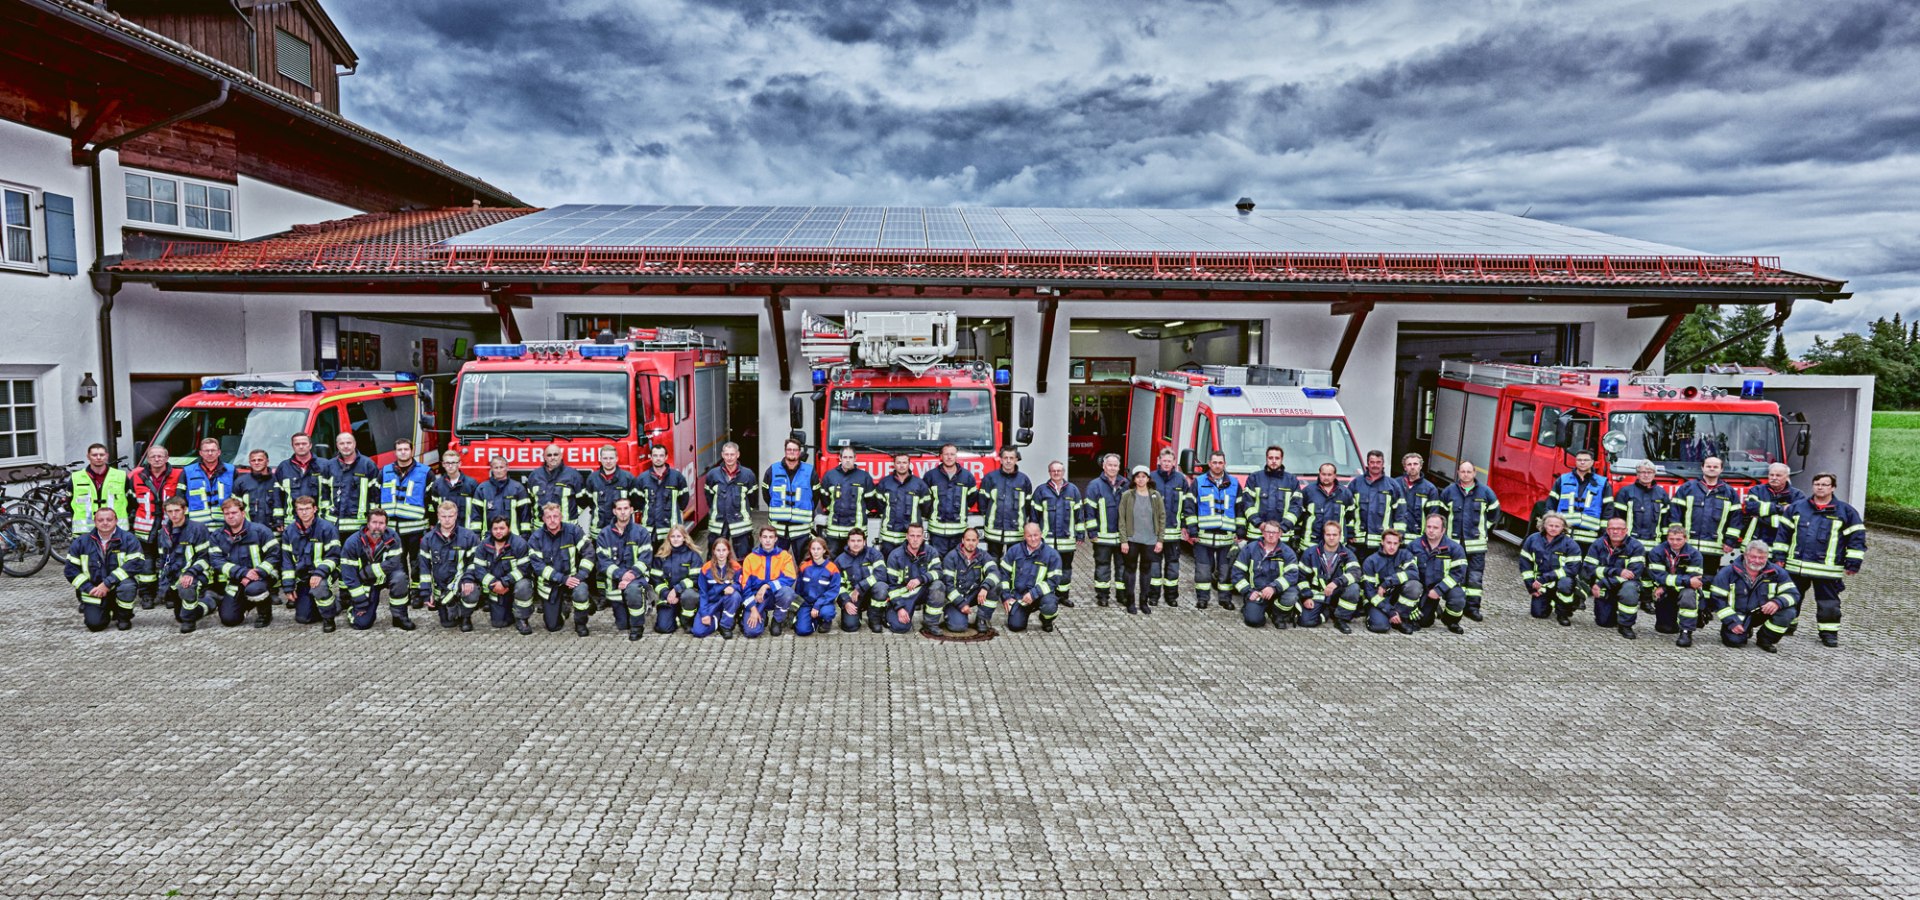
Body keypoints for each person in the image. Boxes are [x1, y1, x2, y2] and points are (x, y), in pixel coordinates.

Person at [1774, 472, 1866, 647]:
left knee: (1828, 603)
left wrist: (1853, 563)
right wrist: (1779, 557)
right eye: (1817, 484)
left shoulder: (1846, 512)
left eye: (1824, 484)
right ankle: (1787, 625)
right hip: (1796, 566)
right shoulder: (1798, 508)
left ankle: (1829, 633)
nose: (1820, 487)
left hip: (1827, 570)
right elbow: (1783, 535)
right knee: (1791, 597)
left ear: (1833, 487)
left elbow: (1857, 538)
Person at [1706, 539, 1801, 652]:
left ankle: (1766, 639)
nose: (1757, 561)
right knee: (1733, 641)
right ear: (1745, 555)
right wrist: (1732, 622)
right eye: (1753, 557)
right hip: (1737, 615)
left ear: (1767, 557)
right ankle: (1745, 630)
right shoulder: (1727, 572)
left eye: (1761, 558)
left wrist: (1777, 602)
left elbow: (1793, 593)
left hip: (1763, 611)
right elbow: (1717, 600)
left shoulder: (1777, 572)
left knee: (1788, 612)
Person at [1437, 460, 1500, 621]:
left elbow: (1494, 513)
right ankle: (1455, 606)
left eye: (1468, 471)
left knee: (1474, 577)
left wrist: (1483, 528)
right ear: (1458, 473)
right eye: (1462, 471)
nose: (1465, 474)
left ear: (1474, 473)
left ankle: (1472, 608)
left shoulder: (1486, 492)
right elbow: (1441, 515)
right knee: (1455, 575)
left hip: (1476, 546)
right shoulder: (1449, 492)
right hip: (1454, 545)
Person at [65, 507, 145, 632]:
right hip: (95, 590)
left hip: (118, 586)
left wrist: (107, 584)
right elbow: (70, 571)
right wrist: (88, 588)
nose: (105, 523)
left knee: (128, 586)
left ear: (116, 521)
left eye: (109, 519)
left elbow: (135, 564)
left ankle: (123, 617)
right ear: (95, 522)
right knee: (95, 625)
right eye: (100, 520)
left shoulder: (128, 539)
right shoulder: (81, 542)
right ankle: (104, 610)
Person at [1668, 456, 1742, 590]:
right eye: (1708, 466)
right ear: (1702, 468)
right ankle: (1682, 604)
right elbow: (1675, 514)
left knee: (1708, 577)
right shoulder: (1687, 488)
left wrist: (1730, 541)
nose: (1711, 469)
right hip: (1686, 545)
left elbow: (1735, 519)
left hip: (1713, 547)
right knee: (1684, 576)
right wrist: (1676, 538)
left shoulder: (1729, 492)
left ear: (1721, 470)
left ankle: (1703, 608)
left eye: (1715, 467)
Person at [207, 497, 280, 628]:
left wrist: (258, 572)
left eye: (234, 513)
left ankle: (265, 613)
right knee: (229, 620)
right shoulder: (218, 536)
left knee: (255, 589)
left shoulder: (260, 531)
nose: (230, 516)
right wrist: (243, 573)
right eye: (227, 514)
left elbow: (274, 555)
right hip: (236, 580)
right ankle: (247, 603)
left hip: (262, 577)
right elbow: (217, 561)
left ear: (243, 513)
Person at [339, 508, 412, 632]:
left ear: (386, 525)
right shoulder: (352, 542)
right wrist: (360, 600)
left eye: (381, 523)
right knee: (362, 624)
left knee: (400, 577)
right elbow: (349, 574)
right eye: (374, 522)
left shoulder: (393, 537)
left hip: (382, 576)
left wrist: (368, 571)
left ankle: (399, 616)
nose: (377, 527)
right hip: (365, 583)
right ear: (368, 524)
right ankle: (353, 608)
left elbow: (395, 563)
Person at [527, 501, 593, 637]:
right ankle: (563, 610)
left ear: (561, 517)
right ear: (543, 519)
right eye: (549, 517)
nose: (552, 520)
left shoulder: (573, 531)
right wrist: (562, 578)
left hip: (574, 579)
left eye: (556, 516)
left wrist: (580, 576)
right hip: (551, 583)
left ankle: (581, 623)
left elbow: (589, 552)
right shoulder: (536, 537)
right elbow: (538, 567)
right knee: (553, 626)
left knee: (581, 592)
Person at [127, 444, 181, 607]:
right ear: (147, 459)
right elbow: (130, 502)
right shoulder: (136, 476)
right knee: (146, 564)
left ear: (167, 458)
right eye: (153, 456)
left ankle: (170, 594)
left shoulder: (178, 475)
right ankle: (147, 595)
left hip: (169, 527)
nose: (157, 459)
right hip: (145, 528)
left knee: (170, 560)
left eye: (160, 456)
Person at [278, 494, 342, 631]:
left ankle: (329, 618)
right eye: (300, 509)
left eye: (307, 508)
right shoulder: (289, 531)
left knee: (319, 588)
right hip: (304, 577)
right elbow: (287, 561)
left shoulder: (327, 528)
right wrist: (289, 587)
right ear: (296, 511)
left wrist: (319, 573)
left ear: (315, 509)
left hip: (325, 573)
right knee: (303, 618)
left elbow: (334, 557)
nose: (304, 512)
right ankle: (324, 603)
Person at [1188, 451, 1242, 611]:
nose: (1217, 465)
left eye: (1220, 462)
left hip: (1226, 538)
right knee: (1203, 571)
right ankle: (1203, 599)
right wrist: (1192, 530)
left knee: (1226, 571)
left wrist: (1240, 530)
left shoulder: (1234, 483)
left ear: (1224, 464)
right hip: (1204, 537)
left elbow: (1240, 508)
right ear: (1209, 464)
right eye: (1214, 462)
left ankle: (1225, 599)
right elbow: (1190, 507)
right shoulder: (1198, 482)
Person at [596, 496, 655, 640]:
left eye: (626, 509)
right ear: (614, 511)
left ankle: (637, 627)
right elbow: (603, 563)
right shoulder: (604, 534)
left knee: (633, 591)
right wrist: (622, 576)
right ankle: (631, 615)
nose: (623, 512)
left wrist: (631, 576)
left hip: (636, 578)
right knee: (622, 625)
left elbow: (645, 559)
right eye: (619, 509)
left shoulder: (641, 532)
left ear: (632, 510)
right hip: (615, 580)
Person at [417, 499, 481, 632]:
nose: (447, 520)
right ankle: (450, 605)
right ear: (438, 516)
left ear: (456, 515)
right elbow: (424, 568)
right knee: (448, 624)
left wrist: (468, 579)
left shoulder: (469, 537)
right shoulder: (428, 539)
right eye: (443, 516)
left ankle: (465, 617)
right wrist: (426, 592)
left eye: (450, 516)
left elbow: (474, 563)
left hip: (461, 583)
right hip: (440, 588)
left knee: (472, 591)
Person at [153, 496, 213, 632]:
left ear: (185, 510)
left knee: (186, 590)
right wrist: (163, 581)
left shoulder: (198, 529)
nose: (173, 515)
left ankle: (189, 622)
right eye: (170, 511)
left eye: (177, 510)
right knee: (179, 615)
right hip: (174, 575)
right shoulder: (163, 532)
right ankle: (209, 603)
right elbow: (163, 559)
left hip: (196, 574)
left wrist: (190, 573)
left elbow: (205, 557)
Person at [380, 438, 431, 596]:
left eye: (406, 449)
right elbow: (376, 497)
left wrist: (431, 523)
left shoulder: (425, 472)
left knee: (416, 561)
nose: (403, 452)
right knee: (398, 561)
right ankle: (403, 590)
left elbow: (430, 499)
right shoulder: (385, 471)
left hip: (416, 527)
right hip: (393, 529)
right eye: (400, 449)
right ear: (395, 452)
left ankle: (416, 591)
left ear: (411, 451)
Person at [1582, 517, 1647, 639]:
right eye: (1612, 528)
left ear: (1626, 530)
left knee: (1629, 589)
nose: (1615, 532)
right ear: (1607, 530)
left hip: (1625, 585)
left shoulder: (1636, 546)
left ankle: (1626, 625)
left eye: (1619, 529)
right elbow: (1589, 568)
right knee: (1604, 623)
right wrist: (1618, 571)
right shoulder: (1598, 544)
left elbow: (1633, 574)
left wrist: (1602, 583)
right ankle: (1612, 611)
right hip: (1607, 587)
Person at [1030, 460, 1083, 606]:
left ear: (1063, 472)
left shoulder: (1073, 490)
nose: (1056, 473)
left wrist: (1080, 534)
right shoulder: (1041, 491)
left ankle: (1063, 596)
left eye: (1059, 470)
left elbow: (1079, 515)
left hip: (1067, 540)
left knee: (1065, 569)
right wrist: (1034, 537)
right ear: (1049, 472)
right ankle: (1045, 595)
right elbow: (1034, 516)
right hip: (1046, 541)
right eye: (1053, 471)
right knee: (1045, 568)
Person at [1232, 519, 1299, 628]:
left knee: (1291, 595)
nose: (1271, 535)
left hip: (1278, 592)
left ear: (1280, 534)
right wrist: (1249, 592)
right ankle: (1257, 609)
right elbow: (1236, 573)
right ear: (1263, 532)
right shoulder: (1250, 548)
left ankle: (1278, 614)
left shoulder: (1288, 552)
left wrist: (1273, 587)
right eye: (1268, 532)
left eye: (1274, 532)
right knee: (1253, 621)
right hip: (1257, 592)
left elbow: (1292, 575)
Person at [1081, 453, 1129, 607]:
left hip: (1122, 538)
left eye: (1115, 465)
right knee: (1102, 567)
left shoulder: (1126, 484)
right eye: (1110, 465)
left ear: (1119, 467)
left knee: (1122, 567)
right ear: (1104, 466)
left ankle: (1122, 595)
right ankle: (1102, 596)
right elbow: (1089, 511)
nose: (1113, 468)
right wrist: (1092, 533)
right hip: (1102, 537)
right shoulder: (1094, 486)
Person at [1297, 520, 1362, 632]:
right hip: (1317, 594)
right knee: (1305, 622)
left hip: (1337, 593)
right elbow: (1301, 577)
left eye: (1334, 535)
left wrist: (1336, 583)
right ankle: (1326, 613)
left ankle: (1341, 619)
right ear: (1323, 535)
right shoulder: (1311, 553)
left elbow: (1355, 573)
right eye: (1328, 534)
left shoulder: (1347, 554)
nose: (1331, 538)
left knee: (1354, 588)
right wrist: (1306, 597)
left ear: (1340, 536)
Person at [1519, 512, 1583, 625]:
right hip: (1542, 585)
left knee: (1565, 583)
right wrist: (1531, 587)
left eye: (1557, 526)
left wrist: (1544, 579)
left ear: (1563, 527)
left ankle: (1564, 612)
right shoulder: (1532, 540)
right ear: (1544, 525)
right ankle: (1550, 600)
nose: (1553, 528)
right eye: (1550, 525)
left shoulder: (1570, 544)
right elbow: (1525, 565)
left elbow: (1572, 569)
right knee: (1538, 614)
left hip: (1560, 581)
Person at [1647, 524, 1707, 643]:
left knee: (1689, 593)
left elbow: (1694, 581)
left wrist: (1667, 584)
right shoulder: (1656, 552)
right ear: (1667, 538)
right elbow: (1659, 577)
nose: (1674, 542)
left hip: (1683, 590)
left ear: (1685, 538)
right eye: (1671, 539)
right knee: (1666, 629)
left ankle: (1686, 632)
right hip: (1667, 590)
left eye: (1678, 539)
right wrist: (1667, 585)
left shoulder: (1695, 554)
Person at [1115, 465, 1163, 615]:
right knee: (1130, 569)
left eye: (1144, 476)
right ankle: (1130, 601)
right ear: (1134, 479)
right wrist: (1123, 540)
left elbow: (1162, 517)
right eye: (1138, 476)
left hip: (1150, 539)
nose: (1141, 479)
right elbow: (1121, 519)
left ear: (1148, 479)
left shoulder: (1155, 496)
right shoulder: (1127, 495)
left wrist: (1160, 539)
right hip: (1132, 539)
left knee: (1146, 569)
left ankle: (1144, 601)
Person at [1409, 514, 1468, 634]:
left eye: (1435, 528)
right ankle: (1434, 608)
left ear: (1443, 530)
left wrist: (1439, 590)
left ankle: (1451, 621)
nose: (1431, 530)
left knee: (1458, 598)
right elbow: (1408, 571)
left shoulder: (1455, 549)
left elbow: (1458, 574)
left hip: (1446, 586)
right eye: (1428, 526)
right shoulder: (1414, 546)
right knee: (1424, 622)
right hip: (1424, 588)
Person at [1000, 522, 1063, 633]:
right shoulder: (1014, 551)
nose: (1033, 539)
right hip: (1020, 598)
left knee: (1050, 606)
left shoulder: (1052, 555)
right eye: (1029, 536)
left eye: (1036, 535)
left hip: (1041, 596)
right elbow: (1003, 575)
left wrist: (1033, 594)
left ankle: (1046, 620)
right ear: (1024, 536)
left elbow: (1053, 581)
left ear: (1041, 534)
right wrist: (1006, 597)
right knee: (1015, 626)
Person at [475, 516, 535, 631]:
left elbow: (524, 569)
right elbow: (479, 570)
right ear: (491, 530)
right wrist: (494, 584)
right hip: (496, 588)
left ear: (509, 528)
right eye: (495, 529)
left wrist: (505, 582)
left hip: (514, 585)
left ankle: (522, 619)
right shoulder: (484, 545)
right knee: (499, 623)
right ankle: (510, 611)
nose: (498, 532)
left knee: (523, 586)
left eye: (502, 528)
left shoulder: (519, 544)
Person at [1147, 447, 1190, 607]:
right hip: (1154, 533)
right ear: (1159, 461)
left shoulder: (1181, 480)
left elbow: (1187, 505)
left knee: (1173, 567)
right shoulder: (1150, 478)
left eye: (1169, 461)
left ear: (1174, 463)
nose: (1166, 464)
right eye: (1164, 461)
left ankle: (1171, 597)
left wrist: (1185, 526)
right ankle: (1153, 596)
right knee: (1154, 568)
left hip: (1174, 534)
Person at [702, 441, 759, 561]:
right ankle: (715, 579)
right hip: (718, 524)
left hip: (741, 524)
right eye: (726, 454)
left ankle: (742, 579)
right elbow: (709, 497)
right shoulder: (713, 474)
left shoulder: (748, 475)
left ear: (738, 454)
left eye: (732, 454)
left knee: (744, 558)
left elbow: (752, 500)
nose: (729, 458)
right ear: (722, 455)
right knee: (715, 558)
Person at [817, 446, 874, 559]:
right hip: (835, 530)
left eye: (850, 457)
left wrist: (862, 512)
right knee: (831, 558)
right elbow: (824, 498)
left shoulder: (864, 477)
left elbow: (871, 500)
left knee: (859, 559)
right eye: (845, 457)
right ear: (840, 458)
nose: (848, 460)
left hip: (857, 530)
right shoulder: (830, 476)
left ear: (855, 458)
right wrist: (833, 509)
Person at [741, 525, 798, 638]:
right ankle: (761, 614)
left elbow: (790, 577)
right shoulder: (750, 558)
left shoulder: (784, 556)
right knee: (751, 632)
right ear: (760, 538)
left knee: (788, 593)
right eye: (765, 537)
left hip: (775, 596)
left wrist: (767, 585)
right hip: (757, 598)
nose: (767, 540)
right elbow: (745, 587)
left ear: (776, 539)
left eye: (771, 537)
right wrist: (753, 609)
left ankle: (777, 620)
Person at [938, 527, 998, 633]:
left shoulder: (983, 555)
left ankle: (982, 619)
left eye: (974, 540)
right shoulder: (951, 557)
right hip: (955, 598)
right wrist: (961, 604)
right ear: (962, 540)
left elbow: (994, 573)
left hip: (973, 594)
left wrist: (985, 587)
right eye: (968, 540)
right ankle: (950, 613)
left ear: (978, 541)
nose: (971, 543)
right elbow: (948, 585)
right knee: (958, 627)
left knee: (995, 586)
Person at [1360, 528, 1419, 635]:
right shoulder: (1371, 561)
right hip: (1378, 599)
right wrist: (1389, 611)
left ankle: (1401, 619)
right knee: (1380, 627)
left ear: (1399, 544)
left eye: (1395, 543)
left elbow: (1414, 573)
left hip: (1396, 597)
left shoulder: (1405, 555)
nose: (1392, 547)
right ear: (1382, 542)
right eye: (1389, 543)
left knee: (1414, 585)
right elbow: (1370, 593)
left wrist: (1387, 582)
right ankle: (1380, 616)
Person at [884, 522, 939, 633]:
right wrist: (899, 608)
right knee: (900, 628)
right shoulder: (895, 555)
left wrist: (920, 579)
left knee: (938, 586)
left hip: (922, 591)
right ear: (907, 536)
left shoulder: (931, 552)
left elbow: (938, 572)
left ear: (923, 537)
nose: (915, 539)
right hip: (903, 595)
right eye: (912, 535)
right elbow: (891, 586)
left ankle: (931, 623)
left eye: (918, 536)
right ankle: (887, 613)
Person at [271, 433, 336, 528]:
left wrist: (330, 518)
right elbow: (277, 496)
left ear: (310, 445)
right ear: (292, 446)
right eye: (297, 444)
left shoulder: (325, 465)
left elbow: (333, 492)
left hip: (319, 521)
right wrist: (278, 519)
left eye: (304, 443)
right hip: (292, 522)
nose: (301, 446)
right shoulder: (284, 467)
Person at [1548, 450, 1612, 546]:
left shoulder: (1603, 483)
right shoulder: (1562, 480)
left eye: (1586, 460)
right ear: (1575, 461)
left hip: (1590, 539)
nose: (1582, 462)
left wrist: (1603, 534)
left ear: (1592, 462)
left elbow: (1608, 510)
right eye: (1579, 460)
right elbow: (1551, 505)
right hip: (1564, 535)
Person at [922, 444, 976, 556]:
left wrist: (963, 509)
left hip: (959, 531)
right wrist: (931, 513)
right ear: (941, 456)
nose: (949, 457)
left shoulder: (967, 476)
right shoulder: (931, 476)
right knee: (937, 561)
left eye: (952, 454)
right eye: (946, 454)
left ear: (956, 456)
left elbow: (972, 496)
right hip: (937, 532)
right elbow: (925, 500)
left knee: (957, 562)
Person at [763, 438, 816, 552]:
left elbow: (815, 497)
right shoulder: (772, 470)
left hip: (801, 529)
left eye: (795, 450)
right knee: (777, 563)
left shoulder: (810, 471)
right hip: (778, 529)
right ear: (785, 451)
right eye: (789, 449)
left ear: (799, 452)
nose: (792, 452)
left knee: (803, 564)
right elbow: (766, 495)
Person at [978, 447, 1033, 555]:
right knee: (993, 561)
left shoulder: (1024, 480)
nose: (1008, 461)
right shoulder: (990, 478)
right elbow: (982, 502)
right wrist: (988, 517)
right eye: (1005, 458)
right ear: (1001, 459)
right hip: (994, 531)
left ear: (1016, 460)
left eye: (1011, 458)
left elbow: (1027, 505)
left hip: (1016, 531)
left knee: (1014, 562)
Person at [871, 453, 928, 558]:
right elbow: (880, 506)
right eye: (898, 462)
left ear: (909, 464)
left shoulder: (919, 484)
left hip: (911, 537)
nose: (901, 465)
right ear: (894, 464)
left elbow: (926, 507)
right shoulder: (885, 483)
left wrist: (916, 520)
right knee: (889, 565)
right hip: (889, 537)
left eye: (904, 462)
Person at [634, 444, 693, 544]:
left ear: (666, 457)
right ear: (651, 457)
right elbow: (638, 503)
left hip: (672, 532)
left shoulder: (677, 477)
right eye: (655, 456)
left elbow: (683, 501)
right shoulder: (642, 479)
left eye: (661, 456)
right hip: (650, 532)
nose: (658, 459)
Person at [1350, 450, 1405, 556]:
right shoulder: (1356, 484)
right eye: (1372, 462)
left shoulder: (1392, 485)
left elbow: (1400, 514)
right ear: (1367, 463)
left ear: (1383, 463)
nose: (1375, 465)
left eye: (1378, 462)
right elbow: (1348, 511)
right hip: (1359, 542)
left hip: (1383, 542)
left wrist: (1398, 535)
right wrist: (1349, 533)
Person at [650, 525, 703, 635]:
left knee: (690, 595)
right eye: (672, 536)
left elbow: (695, 579)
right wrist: (666, 594)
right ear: (668, 538)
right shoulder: (661, 556)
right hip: (668, 597)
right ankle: (675, 615)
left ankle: (686, 620)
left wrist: (677, 590)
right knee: (664, 628)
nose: (675, 539)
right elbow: (656, 580)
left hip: (686, 594)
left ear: (684, 538)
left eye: (679, 536)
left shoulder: (693, 555)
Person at [1741, 462, 1804, 553]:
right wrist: (1781, 509)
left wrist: (1761, 517)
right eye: (1771, 475)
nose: (1774, 478)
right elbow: (1750, 508)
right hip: (1756, 541)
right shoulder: (1756, 490)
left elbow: (1796, 518)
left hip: (1782, 544)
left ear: (1787, 477)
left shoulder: (1797, 495)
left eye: (1778, 475)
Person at [834, 528, 889, 633]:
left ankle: (875, 618)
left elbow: (881, 575)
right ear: (848, 542)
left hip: (871, 593)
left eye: (859, 541)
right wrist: (845, 602)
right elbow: (838, 586)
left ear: (864, 542)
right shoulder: (840, 560)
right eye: (853, 541)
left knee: (882, 588)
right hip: (853, 597)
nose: (856, 544)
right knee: (850, 627)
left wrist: (860, 587)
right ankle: (856, 614)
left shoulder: (874, 554)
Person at [68, 442, 128, 537]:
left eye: (102, 455)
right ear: (88, 456)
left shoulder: (121, 476)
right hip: (85, 531)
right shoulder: (76, 477)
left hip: (116, 529)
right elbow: (70, 503)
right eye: (94, 455)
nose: (98, 457)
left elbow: (130, 502)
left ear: (107, 456)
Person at [1240, 445, 1298, 543]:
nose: (1274, 461)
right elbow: (1247, 504)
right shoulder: (1254, 478)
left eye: (1277, 458)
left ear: (1282, 459)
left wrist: (1283, 528)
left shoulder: (1292, 480)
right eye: (1271, 458)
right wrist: (1259, 524)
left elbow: (1296, 507)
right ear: (1266, 458)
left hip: (1283, 537)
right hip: (1257, 534)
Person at [691, 537, 746, 640]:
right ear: (714, 552)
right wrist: (705, 614)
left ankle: (726, 626)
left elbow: (742, 584)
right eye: (718, 550)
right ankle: (718, 618)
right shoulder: (706, 569)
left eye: (724, 550)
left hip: (727, 601)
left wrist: (733, 587)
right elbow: (703, 593)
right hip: (711, 603)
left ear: (728, 551)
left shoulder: (736, 567)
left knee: (735, 596)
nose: (721, 553)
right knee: (698, 631)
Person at [1294, 463, 1355, 553]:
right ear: (1319, 474)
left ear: (1335, 475)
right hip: (1310, 543)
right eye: (1323, 474)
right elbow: (1300, 516)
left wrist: (1349, 535)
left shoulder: (1345, 493)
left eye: (1329, 475)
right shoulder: (1308, 491)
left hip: (1336, 545)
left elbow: (1350, 518)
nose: (1326, 477)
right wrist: (1297, 536)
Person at [524, 443, 588, 527]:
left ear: (561, 456)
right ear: (544, 457)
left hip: (567, 528)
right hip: (541, 529)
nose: (553, 457)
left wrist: (571, 514)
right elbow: (530, 502)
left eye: (556, 454)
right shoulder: (534, 476)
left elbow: (584, 502)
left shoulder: (574, 475)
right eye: (549, 455)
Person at [329, 432, 380, 534]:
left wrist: (373, 521)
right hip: (333, 526)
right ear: (337, 445)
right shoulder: (330, 465)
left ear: (355, 444)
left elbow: (375, 496)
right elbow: (323, 494)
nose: (346, 446)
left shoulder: (367, 465)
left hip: (359, 527)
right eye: (342, 443)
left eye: (349, 443)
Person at [180, 438, 236, 529]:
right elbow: (180, 498)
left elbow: (238, 498)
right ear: (200, 453)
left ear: (219, 452)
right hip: (196, 526)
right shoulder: (187, 471)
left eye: (213, 450)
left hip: (225, 525)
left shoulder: (231, 470)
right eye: (206, 450)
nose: (210, 453)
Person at [793, 537, 842, 637]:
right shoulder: (804, 567)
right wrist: (796, 608)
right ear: (810, 550)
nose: (815, 552)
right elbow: (798, 589)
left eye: (818, 549)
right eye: (813, 549)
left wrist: (817, 605)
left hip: (824, 603)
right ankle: (814, 621)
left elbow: (833, 591)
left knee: (827, 612)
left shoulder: (832, 568)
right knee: (802, 631)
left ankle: (825, 620)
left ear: (824, 550)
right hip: (806, 603)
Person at [1611, 462, 1670, 543]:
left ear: (1654, 474)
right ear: (1637, 474)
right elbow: (1618, 518)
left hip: (1655, 544)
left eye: (1649, 472)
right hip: (1629, 543)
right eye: (1643, 472)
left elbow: (1666, 521)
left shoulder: (1662, 494)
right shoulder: (1625, 492)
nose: (1646, 475)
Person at [474, 455, 533, 535]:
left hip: (512, 539)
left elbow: (525, 516)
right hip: (489, 538)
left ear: (507, 468)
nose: (499, 470)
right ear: (491, 469)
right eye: (496, 467)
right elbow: (476, 516)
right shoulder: (482, 489)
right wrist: (476, 537)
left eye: (501, 467)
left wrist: (524, 537)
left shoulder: (518, 488)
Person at [583, 445, 637, 531]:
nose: (608, 461)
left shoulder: (628, 478)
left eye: (611, 458)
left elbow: (635, 503)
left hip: (623, 530)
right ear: (600, 459)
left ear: (617, 459)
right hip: (598, 531)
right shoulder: (592, 479)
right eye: (605, 458)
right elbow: (589, 503)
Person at [427, 451, 480, 532]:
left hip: (466, 532)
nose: (450, 466)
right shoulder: (437, 485)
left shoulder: (471, 484)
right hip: (444, 532)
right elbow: (433, 510)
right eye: (447, 463)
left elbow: (477, 510)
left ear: (459, 464)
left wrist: (475, 532)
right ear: (443, 464)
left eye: (453, 463)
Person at [233, 449, 277, 527]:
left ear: (267, 461)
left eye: (260, 460)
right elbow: (235, 507)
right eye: (253, 460)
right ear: (249, 462)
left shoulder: (276, 480)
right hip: (249, 528)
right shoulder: (240, 482)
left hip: (273, 528)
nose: (256, 463)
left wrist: (279, 521)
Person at [1397, 453, 1440, 530]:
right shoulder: (1395, 484)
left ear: (1421, 466)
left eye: (1415, 464)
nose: (1412, 467)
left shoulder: (1430, 489)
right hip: (1395, 536)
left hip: (1418, 536)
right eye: (1409, 464)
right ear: (1405, 467)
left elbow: (1433, 516)